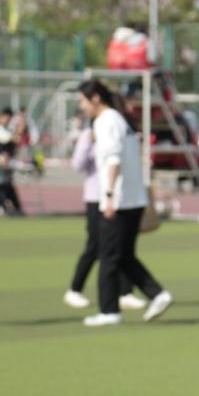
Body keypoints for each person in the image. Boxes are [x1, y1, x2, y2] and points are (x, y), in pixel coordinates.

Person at [77, 79, 173, 327]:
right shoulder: (120, 120)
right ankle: (157, 294)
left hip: (118, 200)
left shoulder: (105, 121)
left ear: (96, 98)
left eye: (83, 101)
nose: (82, 106)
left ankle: (109, 310)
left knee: (108, 256)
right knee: (123, 255)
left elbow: (112, 160)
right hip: (134, 198)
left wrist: (108, 196)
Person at [64, 123, 145, 312]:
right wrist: (90, 144)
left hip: (117, 198)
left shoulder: (116, 130)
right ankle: (75, 289)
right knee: (94, 245)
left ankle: (126, 292)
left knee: (121, 246)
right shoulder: (89, 134)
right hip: (96, 197)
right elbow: (78, 164)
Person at [0, 109, 24, 216]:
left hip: (5, 164)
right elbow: (10, 138)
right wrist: (18, 130)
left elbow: (17, 139)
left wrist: (20, 128)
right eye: (6, 117)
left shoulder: (8, 129)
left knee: (7, 185)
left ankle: (15, 209)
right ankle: (3, 207)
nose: (7, 120)